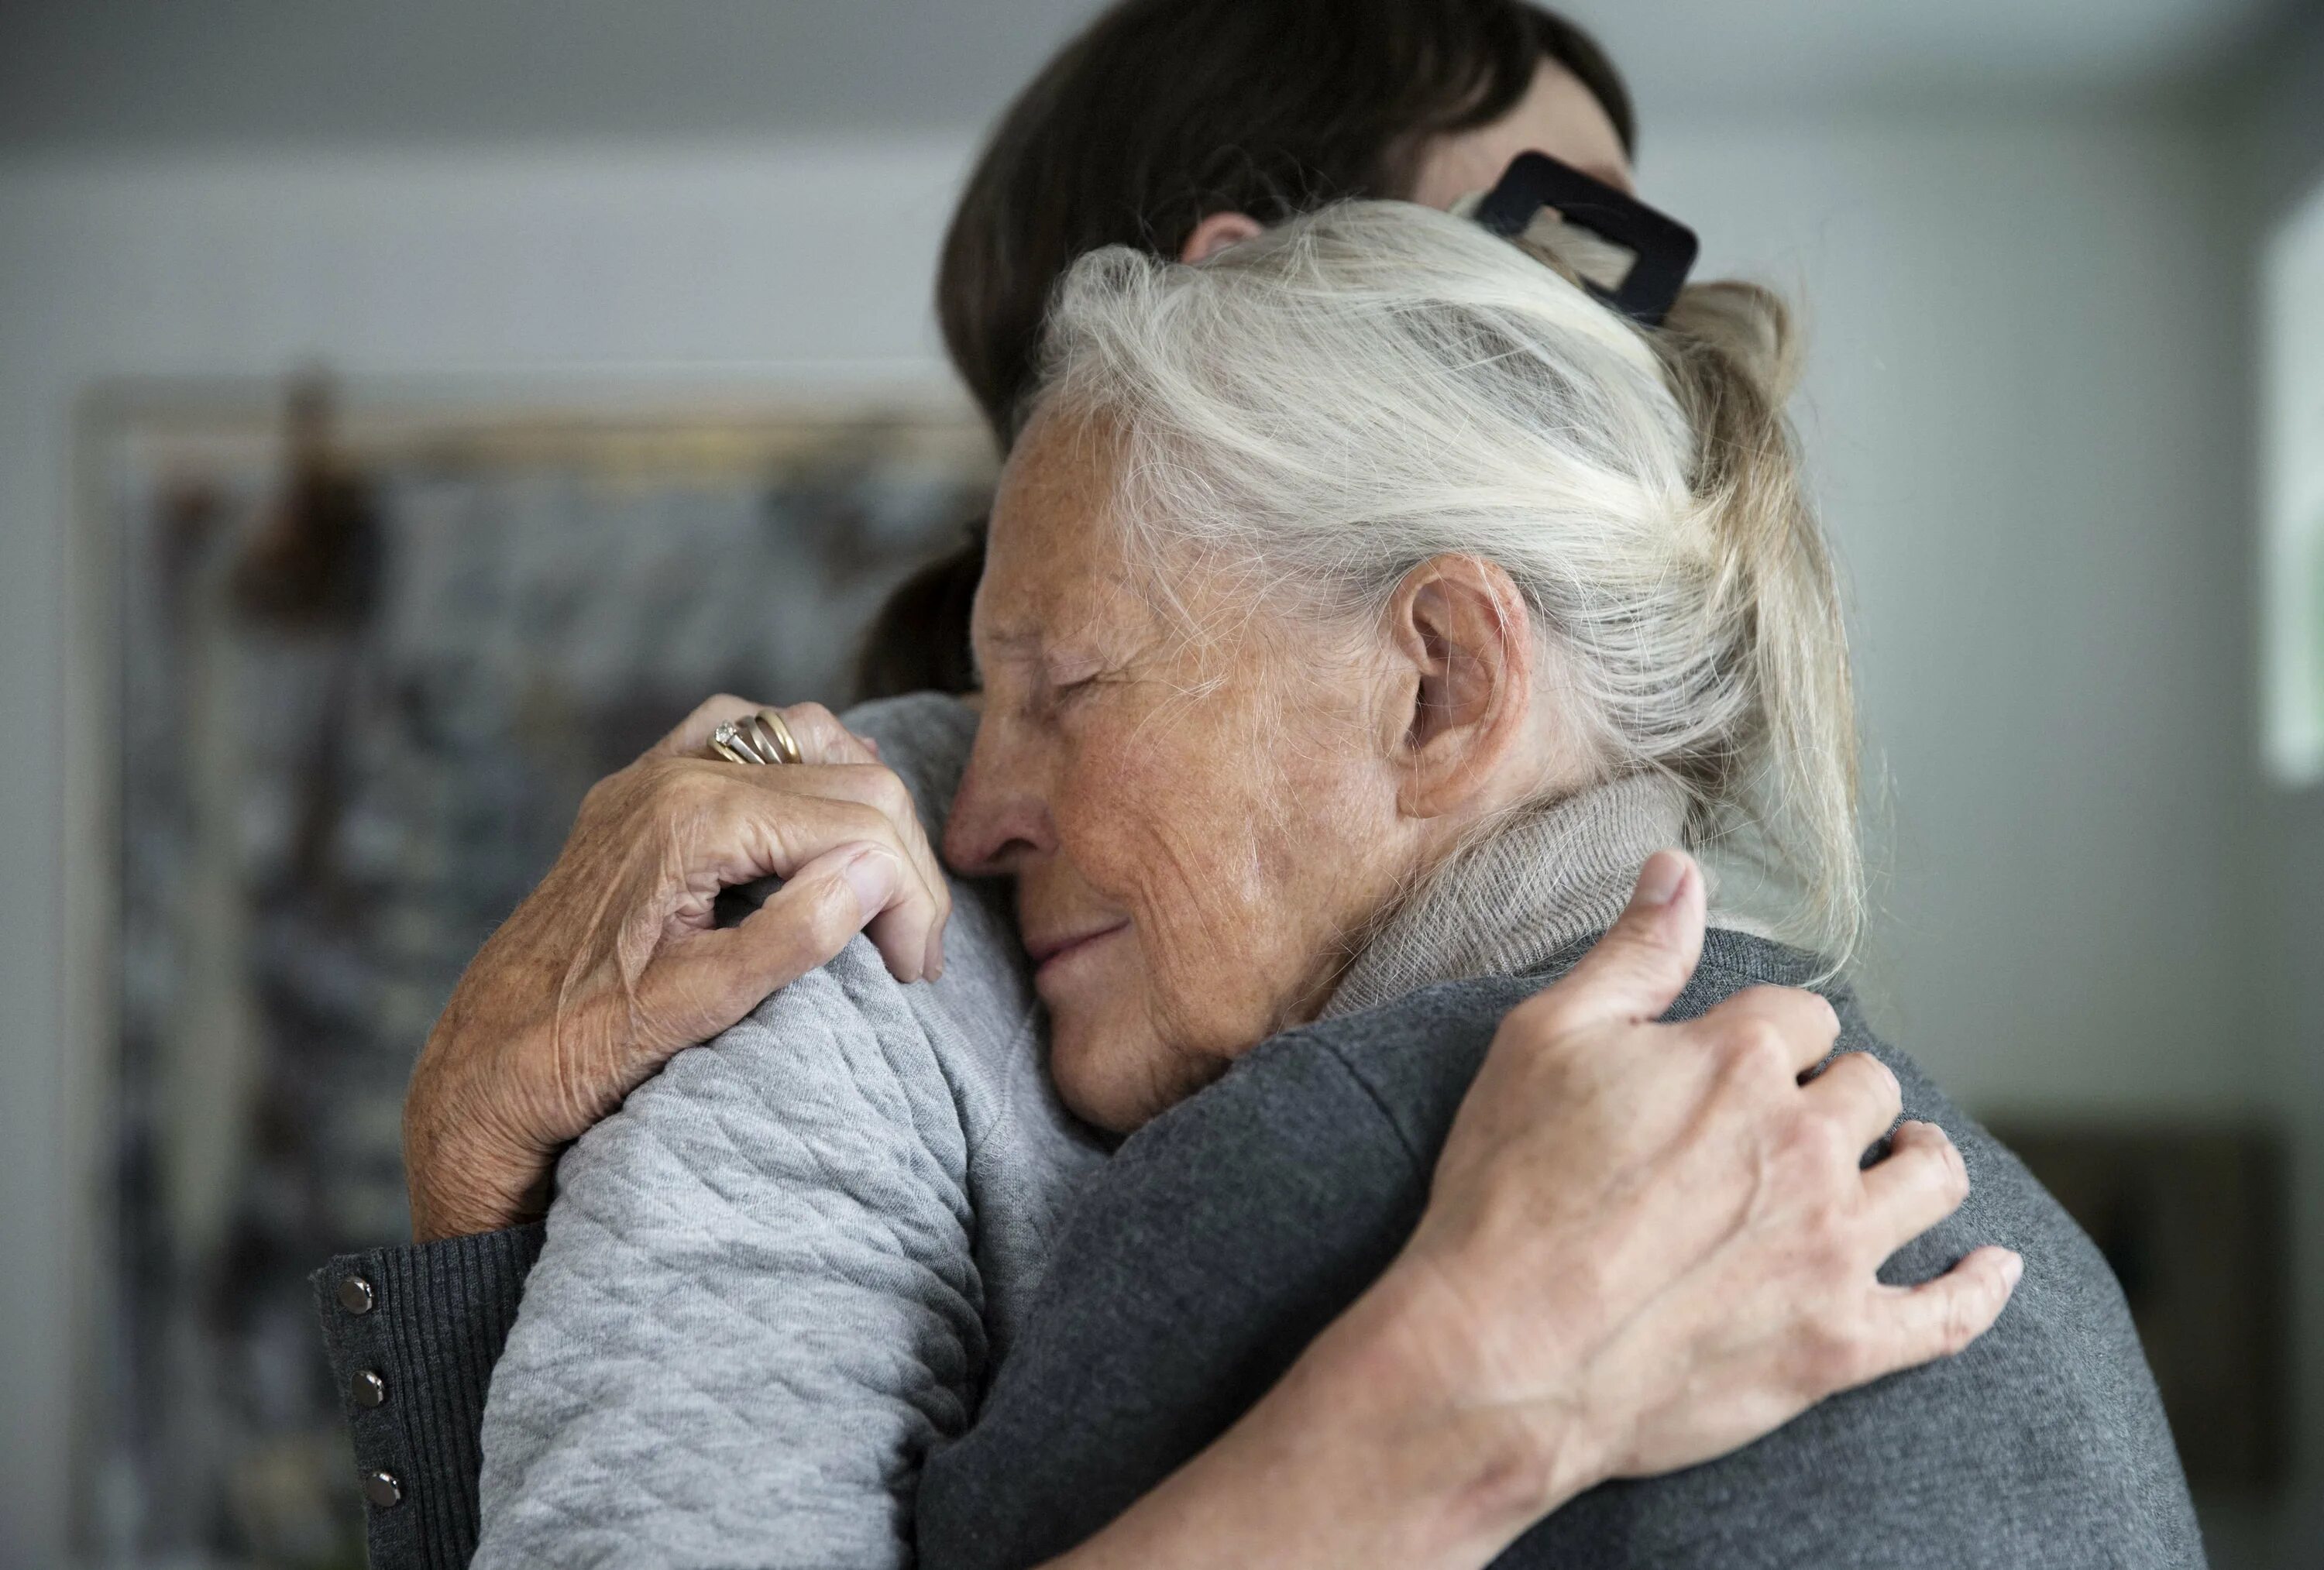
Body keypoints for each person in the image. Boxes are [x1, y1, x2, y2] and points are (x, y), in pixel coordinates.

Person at [313, 4, 2022, 1565]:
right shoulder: (851, 931)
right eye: (1564, 253)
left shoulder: (1721, 1016)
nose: (1628, 361)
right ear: (1261, 283)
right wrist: (1465, 1403)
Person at [899, 201, 2198, 1566]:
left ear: (1441, 685)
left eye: (1067, 687)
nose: (974, 821)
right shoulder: (2007, 1219)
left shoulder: (1293, 1175)